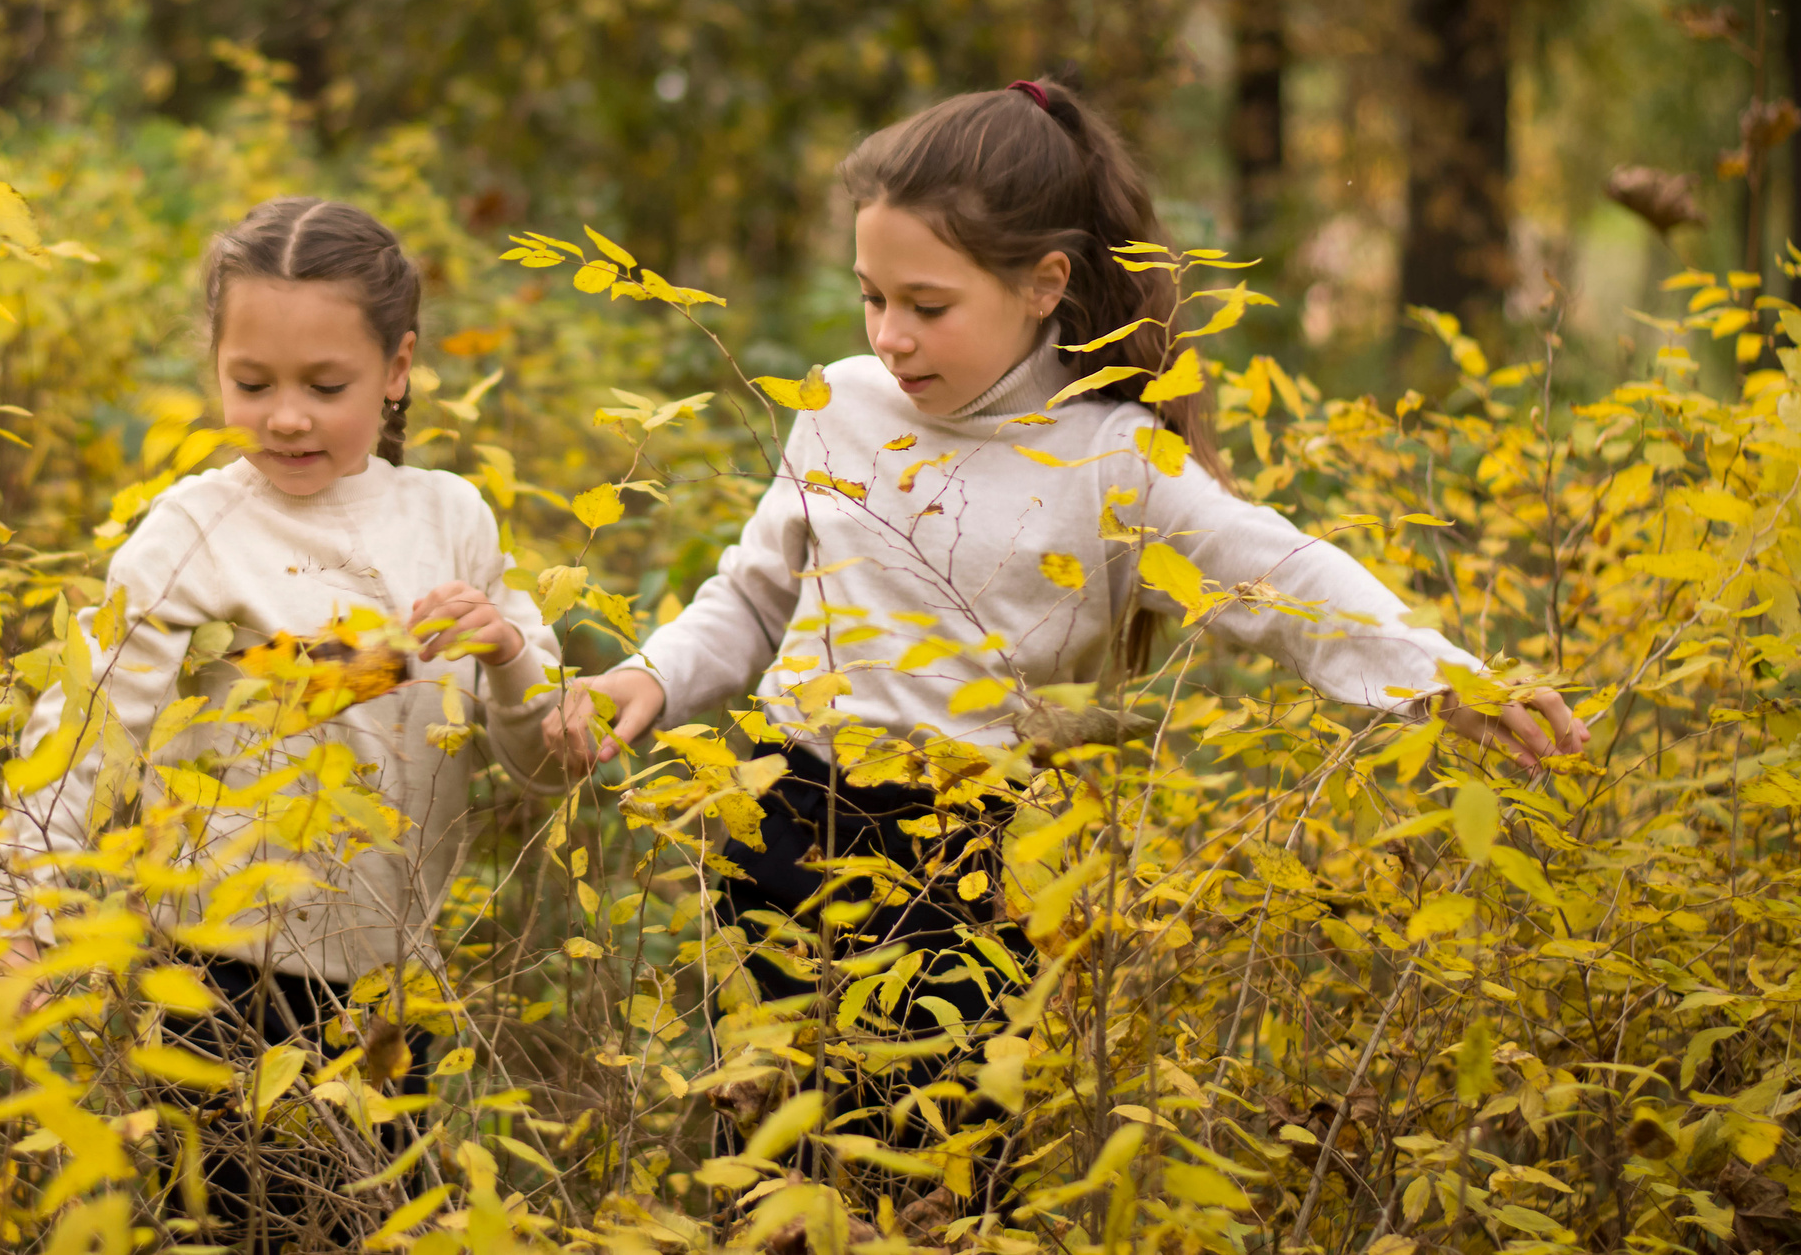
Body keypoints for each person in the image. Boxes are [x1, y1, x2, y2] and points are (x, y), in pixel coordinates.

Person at [541, 80, 1589, 1164]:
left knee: (928, 1182)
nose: (891, 337)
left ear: (1045, 284)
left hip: (966, 866)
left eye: (928, 305)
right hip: (781, 818)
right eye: (871, 298)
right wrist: (649, 678)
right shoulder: (840, 406)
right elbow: (755, 598)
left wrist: (1448, 680)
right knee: (768, 1176)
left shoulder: (1112, 460)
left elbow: (1280, 574)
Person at [0, 196, 562, 1242]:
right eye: (251, 384)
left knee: (379, 1224)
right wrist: (22, 916)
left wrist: (513, 652)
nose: (285, 416)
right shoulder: (197, 530)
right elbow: (87, 723)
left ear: (396, 369)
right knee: (232, 1227)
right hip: (223, 978)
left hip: (395, 984)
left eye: (325, 386)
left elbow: (539, 760)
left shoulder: (449, 520)